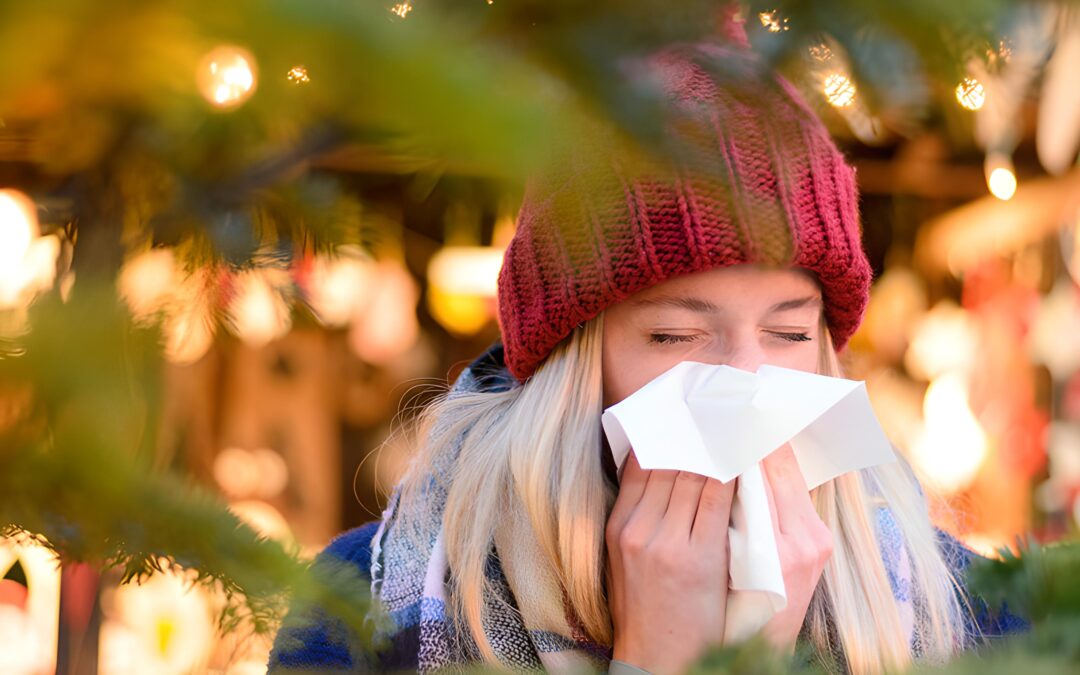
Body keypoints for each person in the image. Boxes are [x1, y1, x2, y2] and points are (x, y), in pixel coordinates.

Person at [269, 26, 1024, 675]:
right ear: (572, 362)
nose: (744, 378)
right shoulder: (359, 608)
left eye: (789, 332)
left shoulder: (976, 617)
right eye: (673, 335)